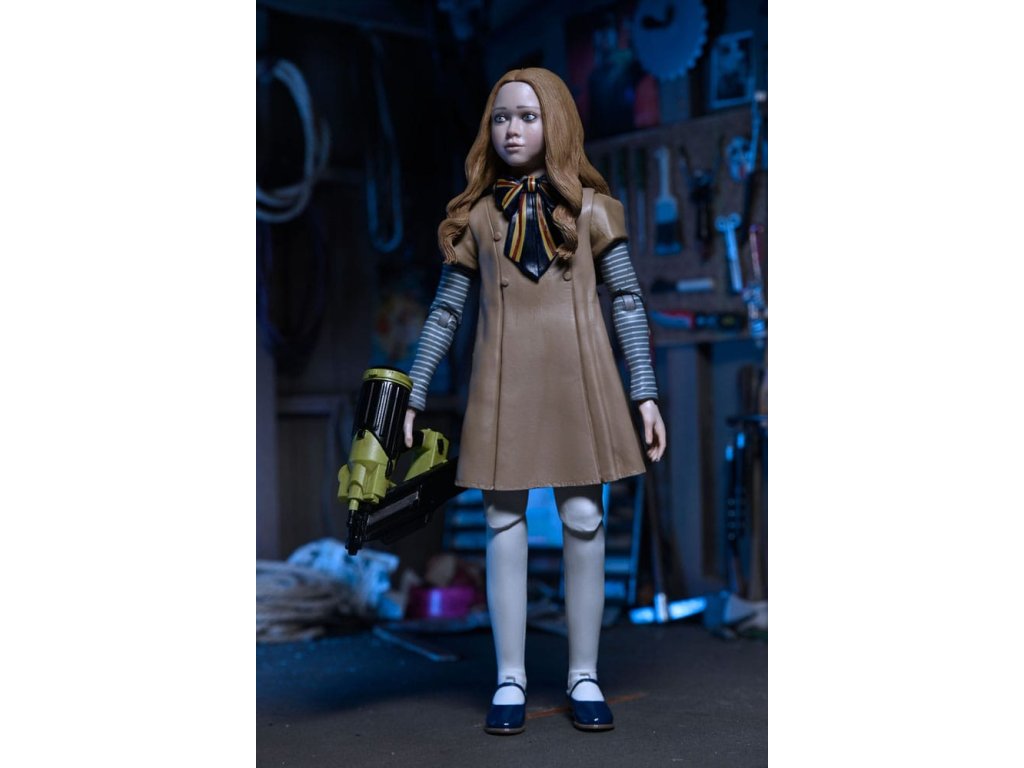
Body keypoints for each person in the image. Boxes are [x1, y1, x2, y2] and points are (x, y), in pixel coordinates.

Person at [403, 67, 666, 735]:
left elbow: (627, 300)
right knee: (502, 522)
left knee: (584, 517)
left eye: (527, 115)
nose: (512, 129)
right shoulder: (476, 218)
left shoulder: (595, 211)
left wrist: (644, 391)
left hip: (581, 379)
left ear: (557, 122)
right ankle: (510, 676)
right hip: (503, 382)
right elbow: (445, 311)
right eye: (501, 117)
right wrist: (414, 385)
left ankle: (584, 673)